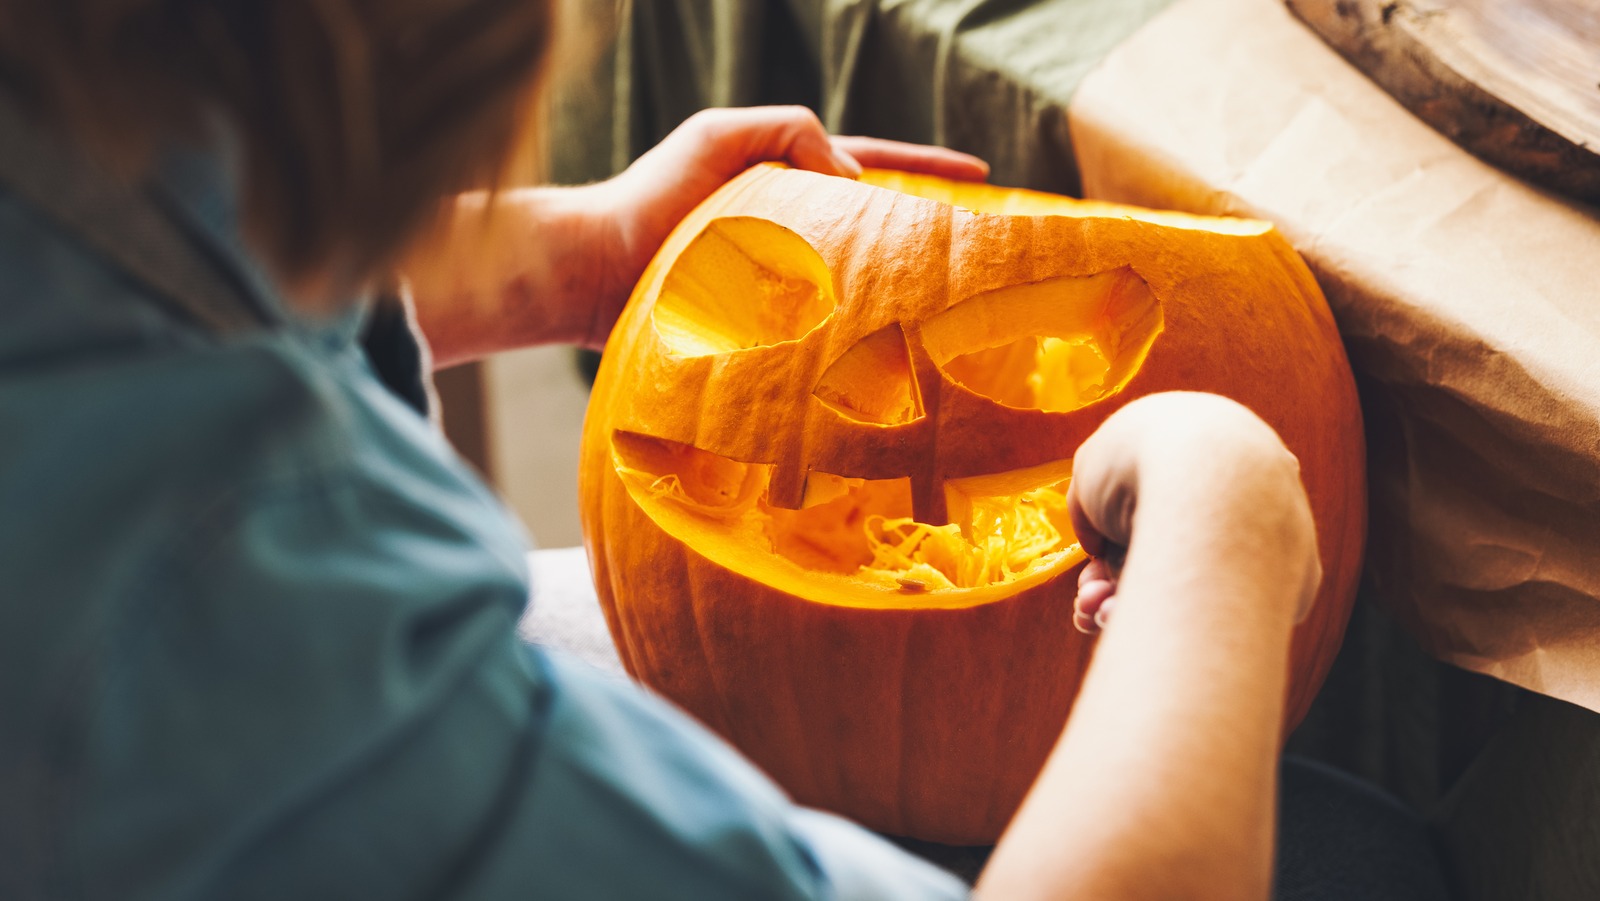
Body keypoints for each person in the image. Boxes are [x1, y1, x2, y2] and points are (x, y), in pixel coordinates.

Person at [0, 2, 1448, 899]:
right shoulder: (241, 614)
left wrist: (567, 258)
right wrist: (1229, 524)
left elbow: (178, 238)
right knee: (1362, 869)